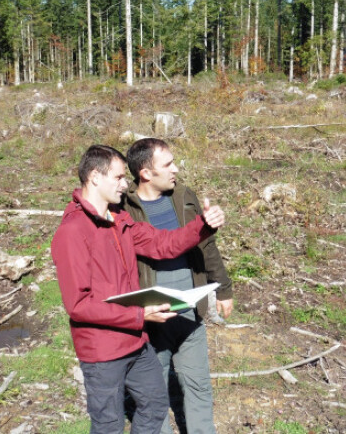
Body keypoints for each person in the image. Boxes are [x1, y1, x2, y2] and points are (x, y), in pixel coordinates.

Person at [51, 144, 227, 434]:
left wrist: (202, 226)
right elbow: (78, 305)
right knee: (108, 424)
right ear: (95, 177)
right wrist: (139, 316)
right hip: (102, 350)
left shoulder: (120, 220)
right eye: (119, 178)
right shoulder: (73, 231)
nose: (126, 184)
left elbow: (162, 244)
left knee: (156, 406)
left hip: (135, 342)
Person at [123, 138, 234, 434]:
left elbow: (206, 245)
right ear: (145, 173)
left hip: (189, 307)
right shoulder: (123, 208)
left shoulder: (185, 196)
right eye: (168, 164)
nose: (176, 169)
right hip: (151, 314)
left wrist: (222, 288)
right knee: (153, 393)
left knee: (198, 385)